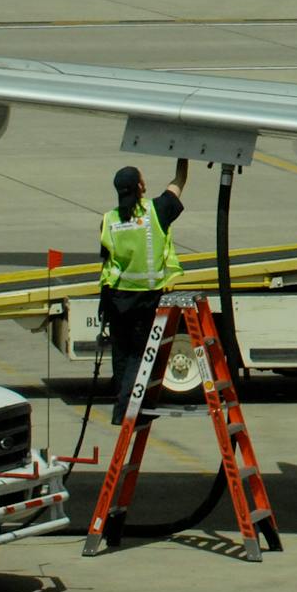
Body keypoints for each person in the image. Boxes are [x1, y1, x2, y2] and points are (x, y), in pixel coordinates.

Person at [97, 159, 188, 424]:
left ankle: (121, 407)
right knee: (140, 355)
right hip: (145, 297)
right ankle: (128, 412)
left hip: (116, 297)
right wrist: (184, 157)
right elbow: (179, 182)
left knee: (122, 356)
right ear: (140, 187)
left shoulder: (108, 219)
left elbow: (106, 259)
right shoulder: (156, 211)